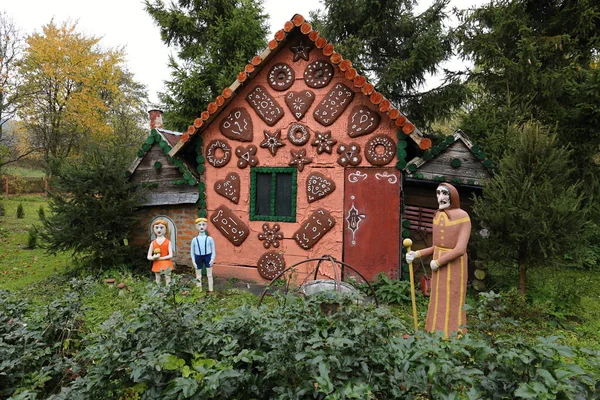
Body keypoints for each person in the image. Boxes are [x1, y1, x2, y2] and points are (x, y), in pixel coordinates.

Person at [406, 183, 471, 337]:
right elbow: (436, 246)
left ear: (452, 196)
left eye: (444, 193)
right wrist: (417, 254)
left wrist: (439, 262)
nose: (440, 197)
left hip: (455, 265)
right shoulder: (438, 215)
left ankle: (453, 334)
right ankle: (434, 330)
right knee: (437, 297)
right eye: (438, 193)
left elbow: (460, 249)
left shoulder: (463, 216)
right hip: (438, 262)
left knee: (453, 296)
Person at [190, 217, 216, 292]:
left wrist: (212, 258)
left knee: (209, 275)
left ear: (206, 225)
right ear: (196, 226)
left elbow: (213, 250)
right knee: (198, 275)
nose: (201, 227)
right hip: (198, 257)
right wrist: (193, 260)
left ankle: (211, 290)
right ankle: (199, 290)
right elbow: (192, 251)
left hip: (208, 256)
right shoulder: (194, 240)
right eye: (199, 225)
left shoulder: (210, 239)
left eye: (203, 224)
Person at [147, 219, 174, 285]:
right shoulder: (153, 243)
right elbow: (148, 256)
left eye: (161, 227)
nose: (159, 230)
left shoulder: (168, 242)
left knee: (167, 277)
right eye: (156, 227)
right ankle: (158, 290)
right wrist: (154, 257)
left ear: (165, 229)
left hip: (166, 262)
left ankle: (168, 290)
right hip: (157, 263)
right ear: (154, 229)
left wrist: (160, 258)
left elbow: (171, 255)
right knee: (157, 277)